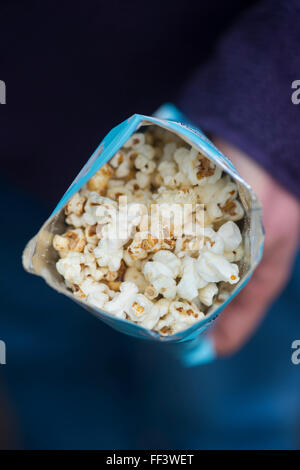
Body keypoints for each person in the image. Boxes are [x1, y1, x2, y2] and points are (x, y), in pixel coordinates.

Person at [0, 0, 299, 449]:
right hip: (15, 170)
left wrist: (273, 111)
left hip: (232, 133)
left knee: (229, 417)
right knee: (59, 397)